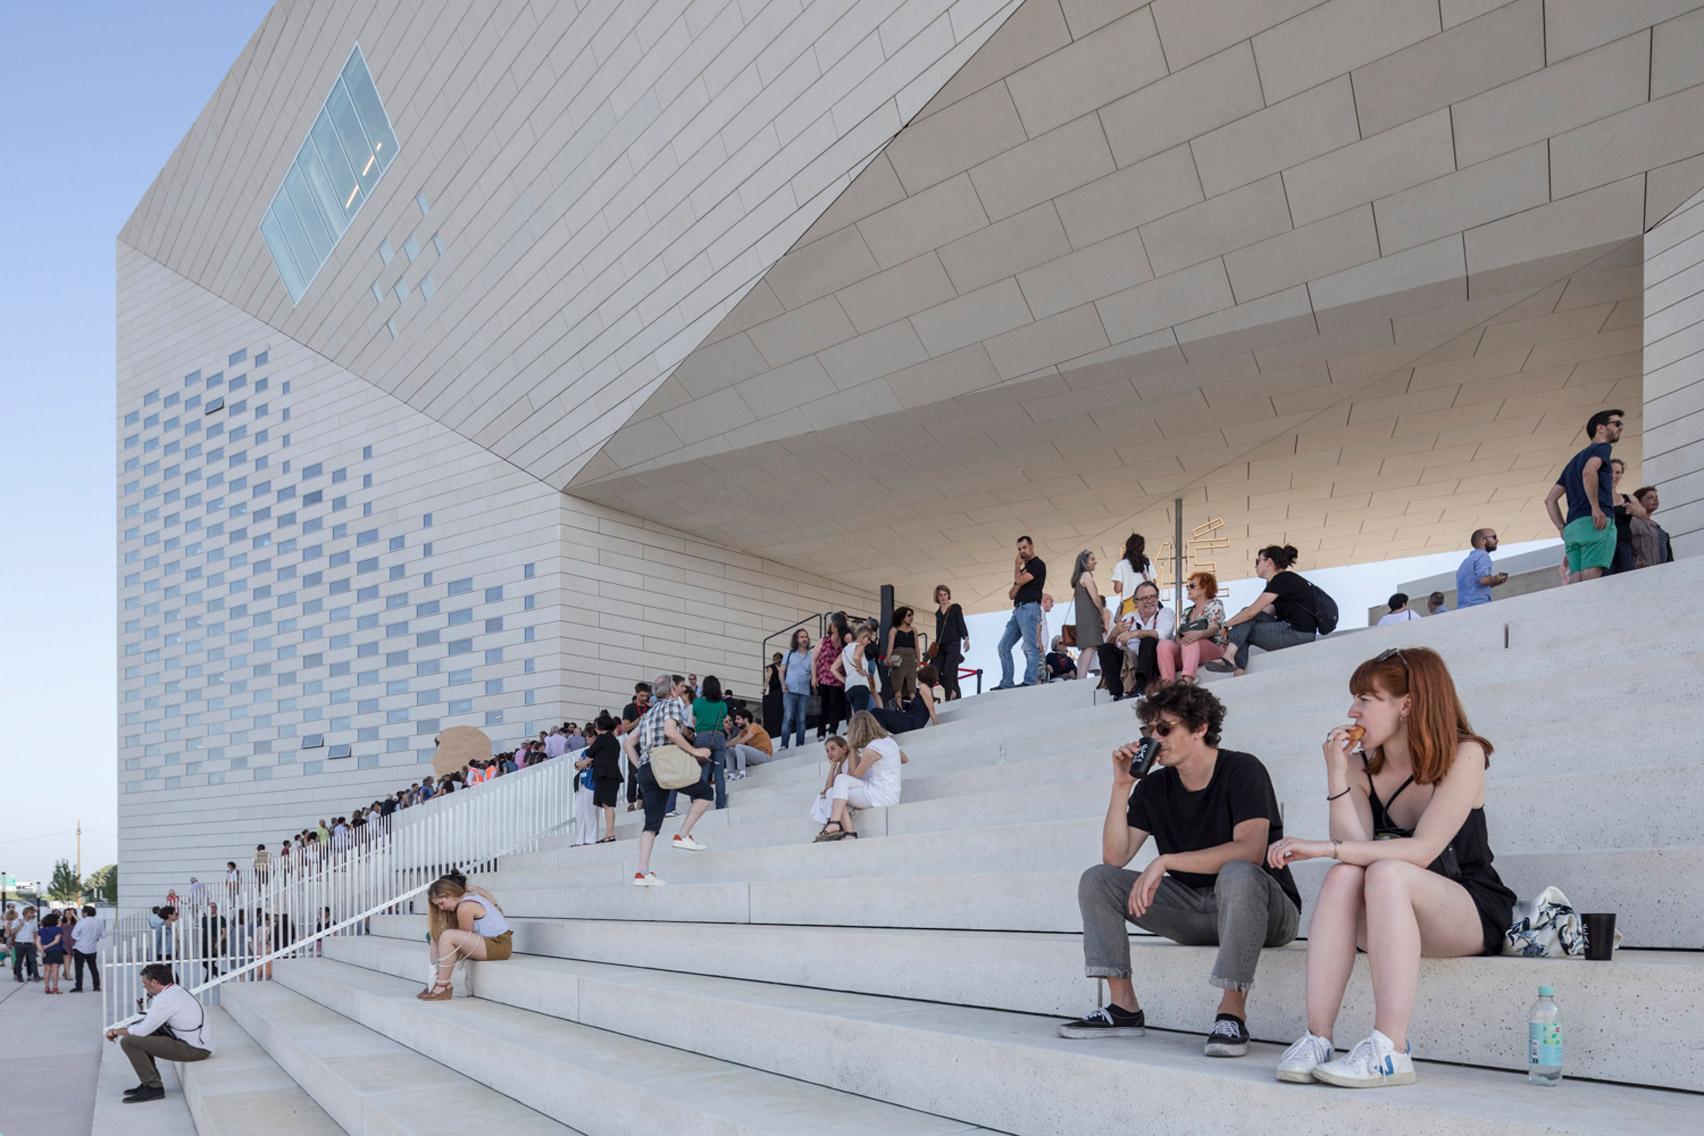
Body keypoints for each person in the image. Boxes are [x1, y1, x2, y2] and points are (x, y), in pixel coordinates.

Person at [1267, 647, 1516, 1088]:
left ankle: (1390, 1049)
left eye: (1366, 698)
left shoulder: (1465, 754)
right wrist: (1337, 774)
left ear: (1408, 704)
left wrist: (1325, 847)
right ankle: (1318, 1037)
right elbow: (1355, 848)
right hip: (1390, 912)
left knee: (1384, 870)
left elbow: (1422, 851)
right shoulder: (1363, 766)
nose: (1352, 709)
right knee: (1347, 872)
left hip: (1465, 908)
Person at [1059, 681, 1300, 1058]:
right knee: (1097, 880)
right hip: (1196, 909)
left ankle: (1231, 1014)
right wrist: (1121, 786)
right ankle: (1123, 1009)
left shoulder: (1242, 769)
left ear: (1200, 727)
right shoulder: (1154, 788)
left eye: (1165, 729)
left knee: (1237, 872)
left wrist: (1167, 861)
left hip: (1264, 911)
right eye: (1148, 731)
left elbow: (1251, 851)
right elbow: (1114, 858)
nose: (1154, 739)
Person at [622, 673, 716, 886]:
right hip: (667, 765)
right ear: (673, 691)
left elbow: (627, 744)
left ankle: (642, 872)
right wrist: (696, 751)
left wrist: (641, 767)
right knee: (705, 793)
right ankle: (682, 835)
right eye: (680, 689)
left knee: (651, 824)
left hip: (648, 769)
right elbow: (671, 732)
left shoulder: (647, 714)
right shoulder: (673, 705)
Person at [106, 963, 212, 1102]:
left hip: (195, 1049)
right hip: (195, 1043)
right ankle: (148, 1083)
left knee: (129, 1042)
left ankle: (153, 1088)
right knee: (140, 1036)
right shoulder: (175, 990)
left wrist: (116, 1031)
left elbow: (143, 1030)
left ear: (154, 982)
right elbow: (149, 1025)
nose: (143, 986)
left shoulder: (165, 999)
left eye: (144, 982)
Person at [1207, 545, 1318, 675]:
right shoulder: (1281, 581)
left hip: (1298, 634)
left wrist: (1225, 625)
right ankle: (1236, 667)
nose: (1256, 566)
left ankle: (1231, 660)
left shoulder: (1282, 579)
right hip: (1293, 630)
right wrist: (1237, 626)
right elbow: (1262, 613)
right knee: (1244, 623)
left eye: (1258, 561)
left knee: (1245, 618)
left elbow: (1252, 612)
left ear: (1268, 562)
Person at [1544, 408, 1623, 583]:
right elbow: (1589, 471)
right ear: (1600, 428)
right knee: (1591, 579)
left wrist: (1561, 528)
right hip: (1596, 522)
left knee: (1576, 578)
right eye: (1617, 423)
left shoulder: (1574, 461)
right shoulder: (1603, 448)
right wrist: (1595, 507)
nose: (1621, 428)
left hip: (1572, 528)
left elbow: (1550, 500)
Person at [809, 713, 906, 841]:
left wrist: (853, 748)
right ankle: (839, 827)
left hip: (881, 796)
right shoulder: (889, 741)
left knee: (836, 790)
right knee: (837, 787)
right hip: (887, 791)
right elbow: (904, 759)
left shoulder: (872, 749)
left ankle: (840, 827)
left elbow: (855, 774)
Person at [419, 871, 512, 1001]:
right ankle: (432, 981)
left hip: (498, 944)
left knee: (447, 936)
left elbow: (461, 943)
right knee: (436, 934)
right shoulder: (463, 900)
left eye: (441, 903)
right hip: (485, 942)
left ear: (450, 894)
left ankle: (442, 985)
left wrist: (445, 957)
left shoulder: (466, 906)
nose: (441, 908)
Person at [1098, 581, 1173, 700]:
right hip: (1131, 662)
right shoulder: (1129, 617)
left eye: (1152, 597)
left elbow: (1161, 634)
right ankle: (1117, 693)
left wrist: (1135, 633)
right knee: (1105, 649)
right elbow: (1111, 643)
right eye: (1144, 598)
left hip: (1154, 662)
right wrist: (1116, 631)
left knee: (1148, 640)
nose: (1149, 600)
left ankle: (1142, 688)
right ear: (1135, 602)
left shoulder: (1165, 613)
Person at [993, 536, 1046, 689]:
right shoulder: (1024, 569)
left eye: (1024, 547)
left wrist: (1016, 567)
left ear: (1031, 547)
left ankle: (1029, 681)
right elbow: (1012, 594)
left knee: (1029, 646)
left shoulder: (1037, 564)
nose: (1022, 551)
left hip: (1030, 608)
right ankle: (1006, 682)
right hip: (1018, 609)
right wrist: (1018, 576)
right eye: (1019, 549)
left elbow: (1020, 582)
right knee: (1003, 646)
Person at [1158, 573, 1228, 681]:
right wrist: (1181, 642)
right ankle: (1168, 683)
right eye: (1187, 586)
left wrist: (1199, 634)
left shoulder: (1215, 604)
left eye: (1192, 586)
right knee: (1164, 644)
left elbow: (1214, 628)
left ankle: (1187, 680)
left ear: (1204, 588)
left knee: (1191, 640)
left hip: (1213, 649)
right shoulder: (1187, 612)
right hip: (1188, 650)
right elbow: (1178, 635)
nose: (1188, 589)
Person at [693, 675, 733, 809]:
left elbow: (694, 719)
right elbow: (723, 719)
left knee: (703, 772)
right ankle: (720, 804)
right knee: (719, 773)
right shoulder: (722, 704)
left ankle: (700, 804)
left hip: (702, 737)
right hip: (719, 737)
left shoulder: (697, 702)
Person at [586, 711, 623, 843]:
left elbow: (590, 751)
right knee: (609, 805)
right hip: (613, 775)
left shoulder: (603, 739)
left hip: (605, 775)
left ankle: (610, 834)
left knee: (607, 805)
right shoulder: (613, 740)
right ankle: (609, 833)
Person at [1608, 458, 1649, 575]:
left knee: (1627, 578)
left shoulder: (1628, 498)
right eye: (1610, 472)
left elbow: (1644, 514)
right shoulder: (1595, 498)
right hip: (1604, 546)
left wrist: (1633, 510)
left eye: (1618, 472)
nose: (1614, 476)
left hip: (1624, 545)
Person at [872, 665, 941, 733]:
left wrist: (938, 729)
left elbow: (931, 710)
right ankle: (882, 736)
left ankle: (882, 737)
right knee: (878, 713)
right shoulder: (927, 689)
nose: (917, 680)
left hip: (910, 723)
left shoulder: (924, 687)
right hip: (909, 720)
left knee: (877, 712)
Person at [815, 613, 851, 741]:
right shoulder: (824, 641)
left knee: (834, 705)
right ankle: (820, 732)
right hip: (822, 677)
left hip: (837, 679)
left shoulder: (844, 643)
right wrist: (813, 678)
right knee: (822, 706)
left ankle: (832, 730)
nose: (835, 628)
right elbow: (814, 659)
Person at [1070, 550, 1105, 681]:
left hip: (1082, 618)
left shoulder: (1079, 578)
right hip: (1090, 617)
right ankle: (1081, 679)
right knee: (1090, 647)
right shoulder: (1086, 575)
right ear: (1084, 562)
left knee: (1086, 649)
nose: (1095, 561)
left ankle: (1080, 676)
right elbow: (1095, 597)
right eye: (1092, 559)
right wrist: (1101, 613)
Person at [1453, 530, 1508, 609]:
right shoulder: (1483, 555)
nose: (1497, 540)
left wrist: (1495, 582)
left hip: (1464, 607)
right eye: (1494, 537)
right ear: (1483, 541)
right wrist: (1496, 578)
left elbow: (1474, 586)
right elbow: (1484, 580)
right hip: (1479, 606)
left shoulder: (1465, 563)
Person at [620, 681, 653, 812]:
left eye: (646, 696)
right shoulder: (629, 708)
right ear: (636, 694)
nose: (644, 698)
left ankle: (642, 799)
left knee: (645, 772)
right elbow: (625, 727)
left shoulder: (650, 708)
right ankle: (631, 801)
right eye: (642, 695)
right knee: (633, 772)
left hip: (647, 744)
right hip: (633, 744)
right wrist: (638, 720)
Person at [1107, 533, 1154, 625]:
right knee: (1147, 631)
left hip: (1130, 603)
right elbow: (1153, 582)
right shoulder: (1147, 563)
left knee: (1129, 633)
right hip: (1147, 602)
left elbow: (1117, 589)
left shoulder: (1121, 564)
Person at [932, 585, 969, 701]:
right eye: (940, 595)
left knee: (949, 672)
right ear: (937, 597)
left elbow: (961, 623)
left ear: (948, 595)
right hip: (941, 646)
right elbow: (939, 632)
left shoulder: (955, 608)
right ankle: (952, 691)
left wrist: (966, 639)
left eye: (945, 594)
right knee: (933, 670)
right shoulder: (938, 613)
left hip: (953, 644)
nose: (943, 597)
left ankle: (949, 698)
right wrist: (933, 648)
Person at [780, 629, 814, 751]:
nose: (804, 639)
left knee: (801, 720)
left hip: (804, 692)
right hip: (790, 691)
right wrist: (782, 683)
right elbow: (781, 670)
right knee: (788, 718)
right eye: (802, 637)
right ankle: (784, 745)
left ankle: (800, 745)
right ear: (796, 639)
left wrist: (814, 681)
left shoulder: (811, 655)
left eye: (806, 636)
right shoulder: (789, 653)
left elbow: (813, 672)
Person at [834, 621, 877, 716]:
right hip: (860, 684)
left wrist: (844, 680)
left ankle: (855, 730)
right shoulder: (860, 646)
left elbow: (833, 669)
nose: (869, 641)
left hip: (849, 687)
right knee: (861, 715)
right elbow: (856, 657)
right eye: (868, 638)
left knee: (856, 715)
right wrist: (861, 670)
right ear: (863, 636)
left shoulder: (845, 650)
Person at [1630, 485, 1675, 568]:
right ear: (1638, 502)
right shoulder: (1632, 521)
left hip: (1662, 570)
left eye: (1656, 497)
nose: (1655, 500)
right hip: (1644, 571)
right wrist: (1635, 563)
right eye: (1650, 497)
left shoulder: (1655, 525)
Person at [886, 607, 922, 704]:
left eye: (911, 615)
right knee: (898, 686)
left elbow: (917, 647)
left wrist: (919, 660)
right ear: (902, 616)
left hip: (911, 658)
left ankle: (915, 708)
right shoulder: (894, 630)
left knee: (911, 686)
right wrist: (888, 657)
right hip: (898, 657)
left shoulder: (913, 630)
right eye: (909, 615)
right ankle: (899, 708)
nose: (911, 618)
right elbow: (890, 646)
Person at [727, 707, 774, 779]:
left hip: (765, 756)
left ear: (746, 719)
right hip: (755, 757)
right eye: (736, 719)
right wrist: (720, 745)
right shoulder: (743, 732)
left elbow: (742, 741)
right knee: (729, 750)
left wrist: (728, 744)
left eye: (738, 719)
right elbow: (733, 741)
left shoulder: (754, 726)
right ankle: (731, 775)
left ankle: (742, 773)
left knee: (739, 746)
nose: (736, 721)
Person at [70, 903, 105, 993]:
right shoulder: (99, 923)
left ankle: (79, 987)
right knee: (93, 968)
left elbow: (74, 935)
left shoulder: (81, 923)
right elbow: (103, 935)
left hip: (80, 948)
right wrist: (94, 938)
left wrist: (82, 939)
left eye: (82, 912)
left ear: (85, 913)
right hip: (92, 948)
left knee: (79, 968)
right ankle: (96, 986)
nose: (81, 913)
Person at [38, 911, 65, 994]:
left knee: (47, 970)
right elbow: (56, 941)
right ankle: (55, 988)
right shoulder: (58, 929)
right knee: (55, 970)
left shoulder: (41, 930)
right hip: (56, 950)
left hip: (46, 952)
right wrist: (47, 946)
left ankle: (46, 987)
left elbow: (37, 941)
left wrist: (42, 949)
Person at [11, 906, 38, 982]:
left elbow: (35, 932)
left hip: (30, 944)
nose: (33, 914)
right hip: (19, 943)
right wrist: (21, 925)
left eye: (33, 912)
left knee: (33, 961)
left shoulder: (34, 922)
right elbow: (12, 932)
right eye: (31, 912)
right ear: (25, 913)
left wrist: (35, 941)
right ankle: (19, 976)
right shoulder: (17, 921)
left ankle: (36, 976)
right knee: (19, 961)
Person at [763, 651, 785, 736]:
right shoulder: (771, 667)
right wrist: (764, 688)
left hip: (782, 691)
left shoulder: (784, 667)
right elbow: (768, 678)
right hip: (774, 691)